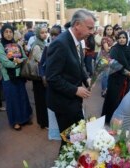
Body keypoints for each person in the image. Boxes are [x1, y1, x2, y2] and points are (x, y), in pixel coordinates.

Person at [46, 9, 95, 148]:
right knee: (70, 142)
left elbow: (79, 65)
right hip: (63, 102)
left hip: (73, 101)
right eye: (90, 28)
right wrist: (75, 90)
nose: (92, 32)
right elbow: (52, 77)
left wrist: (87, 79)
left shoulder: (77, 41)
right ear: (77, 25)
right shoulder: (60, 43)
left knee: (75, 138)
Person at [0, 23, 32, 130]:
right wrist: (18, 63)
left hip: (20, 76)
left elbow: (25, 58)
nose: (8, 34)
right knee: (12, 100)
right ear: (2, 33)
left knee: (22, 97)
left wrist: (19, 61)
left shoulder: (17, 45)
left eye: (10, 32)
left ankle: (25, 118)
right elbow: (6, 63)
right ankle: (15, 121)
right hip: (8, 78)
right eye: (6, 32)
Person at [101, 31, 130, 124]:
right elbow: (113, 64)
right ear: (117, 39)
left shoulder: (129, 49)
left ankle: (119, 120)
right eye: (120, 37)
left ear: (127, 39)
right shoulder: (114, 49)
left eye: (124, 37)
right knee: (113, 100)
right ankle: (109, 119)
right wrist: (126, 72)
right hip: (115, 79)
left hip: (125, 80)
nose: (122, 39)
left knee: (123, 100)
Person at [40, 25, 62, 140]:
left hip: (62, 84)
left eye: (56, 34)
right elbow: (41, 64)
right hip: (50, 84)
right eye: (52, 34)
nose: (54, 37)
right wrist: (43, 76)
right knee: (52, 109)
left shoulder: (66, 48)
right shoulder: (47, 47)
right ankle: (55, 132)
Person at [31, 26, 48, 129]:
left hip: (42, 75)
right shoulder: (37, 45)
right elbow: (41, 61)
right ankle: (43, 122)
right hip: (38, 77)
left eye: (46, 32)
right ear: (38, 34)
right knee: (41, 100)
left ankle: (44, 120)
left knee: (44, 99)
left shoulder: (43, 43)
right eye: (42, 33)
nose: (45, 34)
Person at [100, 25, 115, 97]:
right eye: (108, 29)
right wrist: (114, 45)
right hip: (105, 59)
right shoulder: (104, 39)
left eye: (111, 29)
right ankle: (103, 91)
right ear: (105, 31)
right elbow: (107, 49)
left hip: (111, 59)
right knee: (105, 76)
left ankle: (107, 90)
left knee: (109, 75)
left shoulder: (113, 38)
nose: (109, 31)